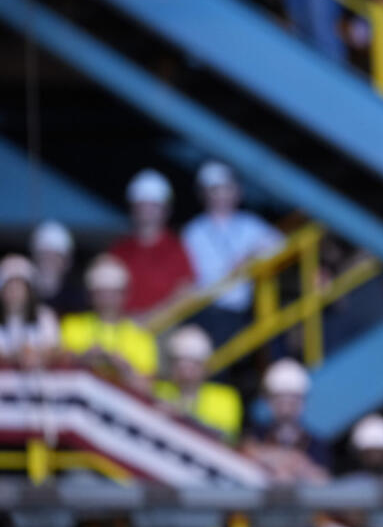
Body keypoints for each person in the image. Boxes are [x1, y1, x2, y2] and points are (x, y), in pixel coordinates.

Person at [182, 161, 283, 344]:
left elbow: (280, 245)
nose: (221, 196)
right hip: (209, 311)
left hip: (247, 311)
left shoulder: (249, 223)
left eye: (226, 189)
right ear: (204, 194)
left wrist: (252, 257)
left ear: (236, 191)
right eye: (215, 190)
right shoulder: (193, 231)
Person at [108, 169, 195, 319]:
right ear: (133, 208)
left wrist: (152, 318)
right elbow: (105, 291)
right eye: (142, 205)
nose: (147, 211)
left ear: (166, 210)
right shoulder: (119, 250)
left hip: (164, 328)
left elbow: (186, 292)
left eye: (153, 205)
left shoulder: (177, 248)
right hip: (122, 329)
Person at [60, 255, 158, 388]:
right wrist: (83, 358)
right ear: (91, 294)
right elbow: (58, 369)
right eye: (101, 293)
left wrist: (124, 368)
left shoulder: (140, 335)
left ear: (124, 295)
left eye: (113, 293)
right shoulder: (72, 325)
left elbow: (147, 387)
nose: (107, 299)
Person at [243, 358, 330, 481]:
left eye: (292, 402)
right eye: (280, 401)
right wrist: (283, 458)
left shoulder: (316, 445)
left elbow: (322, 480)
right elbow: (244, 453)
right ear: (269, 402)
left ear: (302, 402)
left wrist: (300, 467)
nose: (286, 410)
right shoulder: (257, 436)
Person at [154, 325, 243, 442]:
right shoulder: (161, 389)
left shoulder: (225, 398)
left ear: (204, 367)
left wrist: (182, 417)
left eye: (192, 364)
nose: (185, 371)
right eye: (179, 363)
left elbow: (227, 438)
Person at [0, 254, 59, 367]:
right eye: (10, 287)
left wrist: (36, 354)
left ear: (29, 290)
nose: (14, 292)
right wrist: (16, 356)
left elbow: (53, 348)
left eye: (19, 286)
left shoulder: (45, 316)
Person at [29, 220, 87, 315]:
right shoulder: (24, 293)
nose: (49, 261)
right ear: (34, 257)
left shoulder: (78, 299)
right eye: (44, 255)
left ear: (67, 261)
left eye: (56, 256)